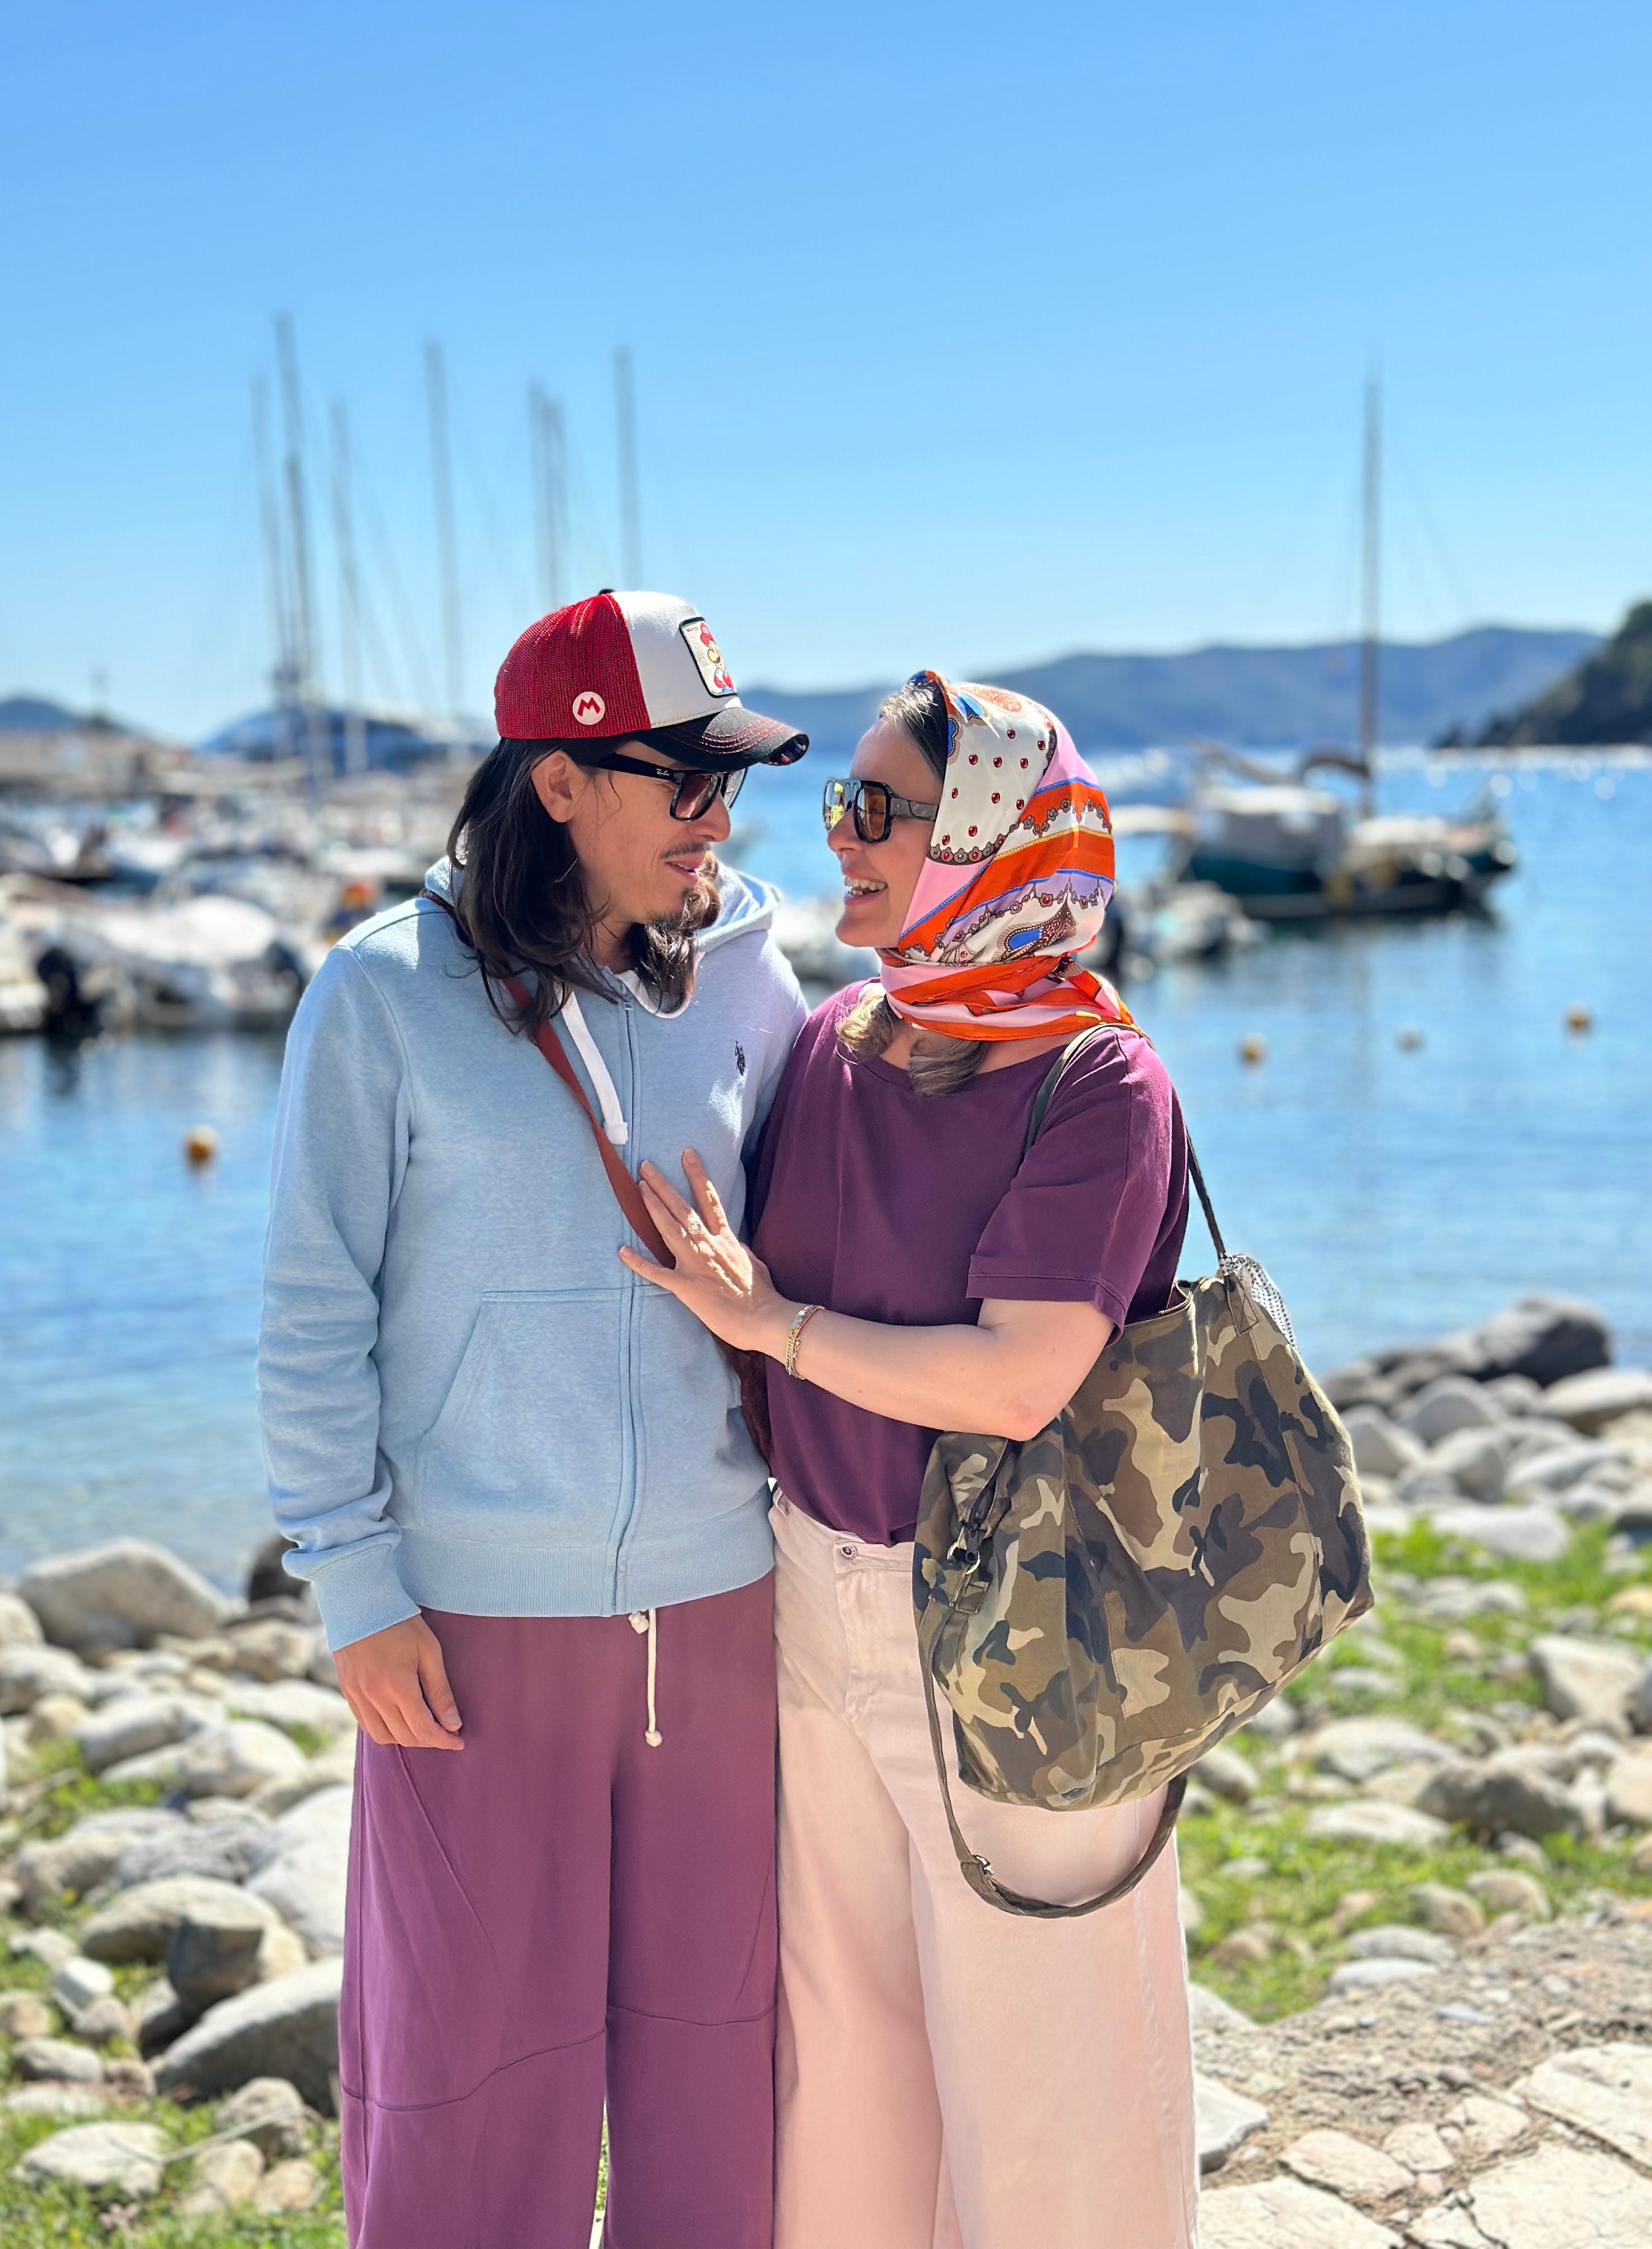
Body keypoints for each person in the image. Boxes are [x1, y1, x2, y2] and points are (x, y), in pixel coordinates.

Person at [257, 591, 809, 2249]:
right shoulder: (380, 994)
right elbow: (312, 1311)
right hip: (471, 1631)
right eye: (684, 783)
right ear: (559, 782)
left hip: (721, 1609)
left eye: (731, 785)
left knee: (719, 2066)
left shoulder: (751, 984)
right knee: (471, 2084)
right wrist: (354, 1586)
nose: (718, 824)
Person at [621, 671, 1198, 2249]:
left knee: (1056, 2081)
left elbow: (1015, 1381)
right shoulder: (837, 1041)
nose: (843, 837)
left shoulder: (1100, 1082)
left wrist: (774, 1325)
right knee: (845, 2053)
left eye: (881, 808)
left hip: (1032, 1618)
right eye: (841, 802)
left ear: (991, 837)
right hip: (817, 1590)